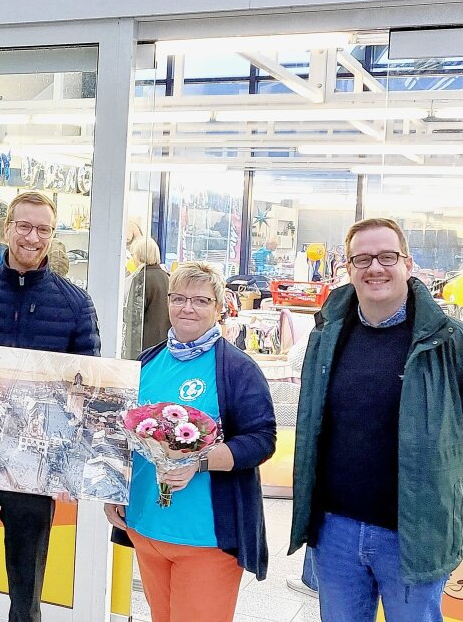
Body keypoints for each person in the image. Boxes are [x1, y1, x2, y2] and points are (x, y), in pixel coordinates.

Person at [0, 190, 101, 622]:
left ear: (53, 235)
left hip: (35, 470)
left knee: (26, 591)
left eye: (43, 229)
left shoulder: (75, 304)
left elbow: (88, 391)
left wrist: (73, 465)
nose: (32, 237)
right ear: (6, 228)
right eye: (24, 226)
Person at [290, 217, 463, 622]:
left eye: (387, 256)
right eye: (362, 258)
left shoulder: (449, 341)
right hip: (335, 531)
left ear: (408, 263)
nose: (375, 268)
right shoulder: (326, 335)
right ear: (347, 269)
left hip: (412, 533)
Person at [105, 261, 276, 622]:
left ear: (218, 307)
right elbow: (120, 435)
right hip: (145, 526)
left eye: (200, 300)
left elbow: (261, 440)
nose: (187, 308)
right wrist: (113, 491)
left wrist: (198, 462)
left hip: (205, 538)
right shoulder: (147, 361)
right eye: (179, 298)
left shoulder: (236, 369)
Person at [123, 237, 171, 360]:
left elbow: (134, 316)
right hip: (163, 342)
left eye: (134, 255)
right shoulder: (165, 277)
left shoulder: (141, 278)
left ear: (139, 256)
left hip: (144, 346)